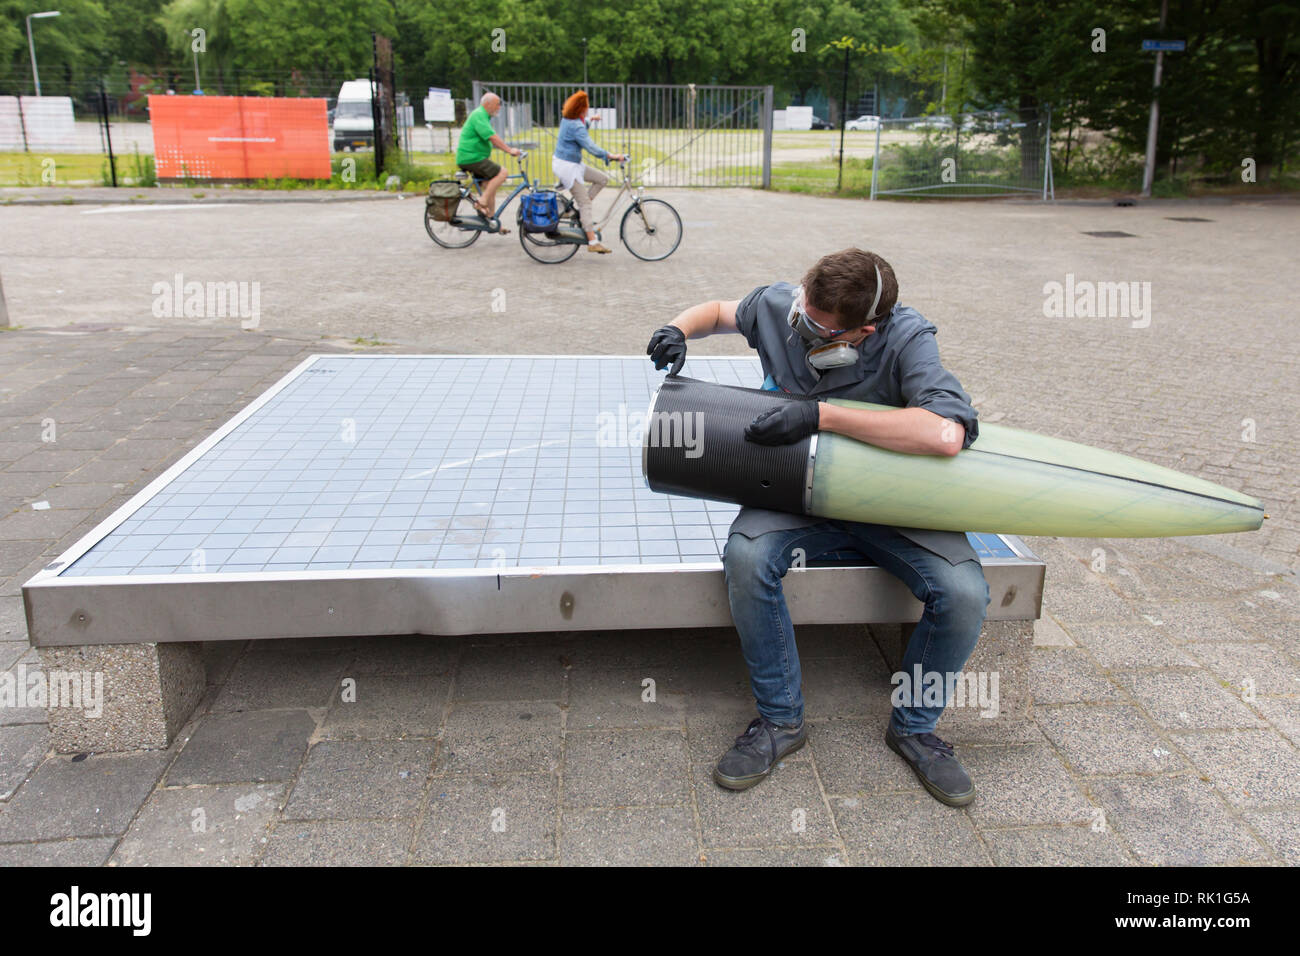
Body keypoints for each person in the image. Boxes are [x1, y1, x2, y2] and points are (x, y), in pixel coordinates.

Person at [644, 248, 990, 807]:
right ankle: (781, 722)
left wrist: (820, 415)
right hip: (792, 494)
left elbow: (946, 433)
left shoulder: (906, 339)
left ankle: (915, 727)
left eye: (822, 328)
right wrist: (678, 328)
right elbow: (717, 310)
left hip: (889, 502)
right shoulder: (785, 307)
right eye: (805, 309)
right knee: (748, 558)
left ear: (864, 330)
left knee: (964, 591)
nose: (803, 326)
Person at [553, 90, 626, 254]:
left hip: (570, 163)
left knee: (602, 179)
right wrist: (611, 156)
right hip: (568, 167)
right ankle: (592, 241)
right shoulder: (575, 125)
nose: (588, 108)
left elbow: (580, 125)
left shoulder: (568, 119)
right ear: (581, 108)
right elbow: (591, 147)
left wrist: (590, 120)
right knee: (585, 203)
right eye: (586, 107)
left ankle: (580, 212)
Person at [457, 92, 521, 231]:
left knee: (489, 185)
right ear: (488, 104)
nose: (499, 107)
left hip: (474, 157)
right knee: (503, 172)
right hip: (471, 157)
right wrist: (509, 150)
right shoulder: (479, 115)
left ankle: (492, 221)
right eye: (497, 104)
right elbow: (492, 137)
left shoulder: (482, 116)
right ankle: (482, 201)